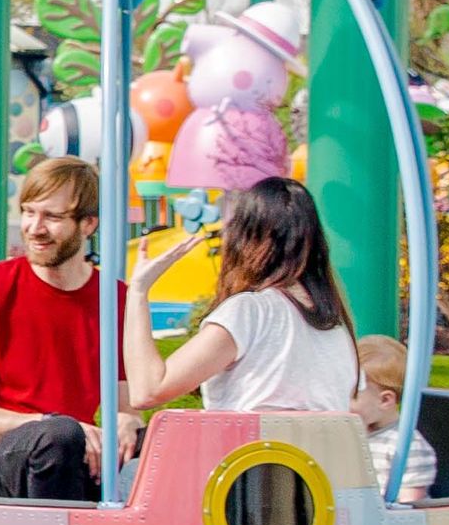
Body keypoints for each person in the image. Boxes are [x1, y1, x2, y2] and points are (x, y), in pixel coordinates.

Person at [0, 154, 146, 502]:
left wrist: (127, 422)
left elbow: (126, 404)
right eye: (30, 212)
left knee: (155, 439)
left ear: (88, 224)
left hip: (76, 454)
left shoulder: (116, 299)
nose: (35, 228)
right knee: (58, 436)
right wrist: (49, 423)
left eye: (52, 217)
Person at [120, 176, 360, 436]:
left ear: (244, 237)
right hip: (322, 471)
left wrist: (138, 291)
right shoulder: (337, 326)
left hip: (252, 469)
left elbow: (148, 390)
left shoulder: (250, 312)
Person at [354, 335, 440, 502]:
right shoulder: (351, 436)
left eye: (352, 396)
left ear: (384, 400)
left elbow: (409, 508)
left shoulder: (407, 447)